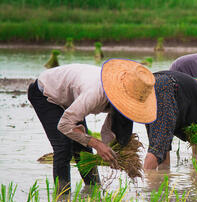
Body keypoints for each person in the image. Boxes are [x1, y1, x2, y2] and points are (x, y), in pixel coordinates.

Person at [28, 61, 151, 195]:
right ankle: (62, 198)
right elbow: (64, 125)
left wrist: (110, 151)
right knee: (63, 147)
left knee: (84, 149)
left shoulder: (119, 98)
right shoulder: (94, 93)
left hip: (71, 99)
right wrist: (98, 145)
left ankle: (94, 191)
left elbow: (108, 130)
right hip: (46, 94)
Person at [141, 68, 197, 170]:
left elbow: (173, 125)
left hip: (148, 85)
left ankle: (162, 179)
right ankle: (146, 181)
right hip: (165, 89)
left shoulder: (193, 93)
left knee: (161, 144)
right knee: (157, 148)